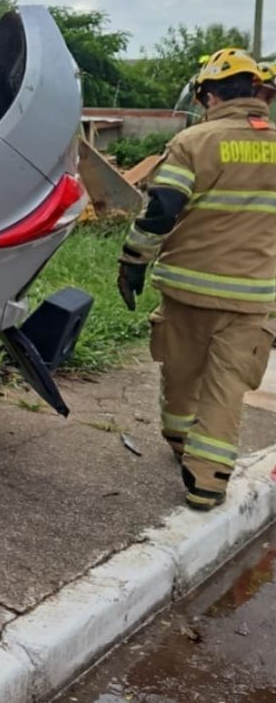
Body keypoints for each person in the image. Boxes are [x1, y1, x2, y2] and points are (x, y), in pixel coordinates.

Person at [117, 48, 276, 511]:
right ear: (255, 93)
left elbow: (162, 210)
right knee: (226, 388)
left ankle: (180, 439)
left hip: (189, 287)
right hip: (252, 298)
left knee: (182, 371)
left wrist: (133, 261)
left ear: (208, 95)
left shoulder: (194, 142)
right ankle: (207, 483)